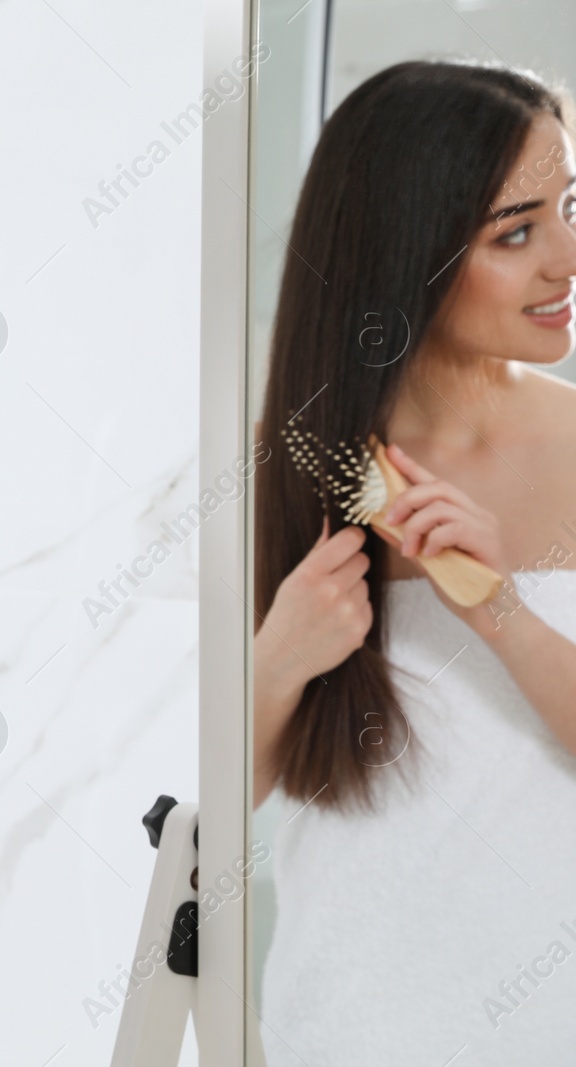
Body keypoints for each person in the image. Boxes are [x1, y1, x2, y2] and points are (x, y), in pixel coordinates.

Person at [251, 60, 576, 1064]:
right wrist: (276, 665)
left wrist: (498, 612)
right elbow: (206, 800)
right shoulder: (288, 468)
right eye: (513, 232)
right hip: (348, 1024)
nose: (564, 256)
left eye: (567, 206)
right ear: (406, 250)